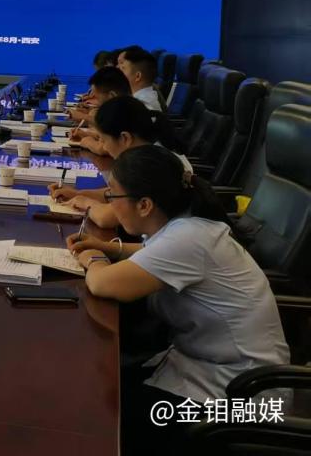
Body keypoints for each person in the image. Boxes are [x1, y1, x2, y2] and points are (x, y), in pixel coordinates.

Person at [66, 145, 288, 447]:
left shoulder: (188, 240)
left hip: (240, 401)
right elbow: (152, 252)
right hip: (212, 372)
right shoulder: (187, 226)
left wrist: (93, 259)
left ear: (144, 205)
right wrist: (108, 248)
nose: (110, 204)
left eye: (112, 197)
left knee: (101, 411)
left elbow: (103, 283)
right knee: (102, 385)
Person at [50, 96, 190, 228]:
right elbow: (115, 193)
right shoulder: (149, 151)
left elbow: (106, 218)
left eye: (104, 140)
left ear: (125, 138)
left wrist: (85, 202)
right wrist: (77, 194)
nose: (104, 147)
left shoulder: (152, 163)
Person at [66, 66, 132, 141]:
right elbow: (110, 137)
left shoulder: (130, 115)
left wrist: (88, 142)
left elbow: (107, 146)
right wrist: (86, 135)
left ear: (112, 96)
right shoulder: (124, 109)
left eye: (96, 98)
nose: (95, 103)